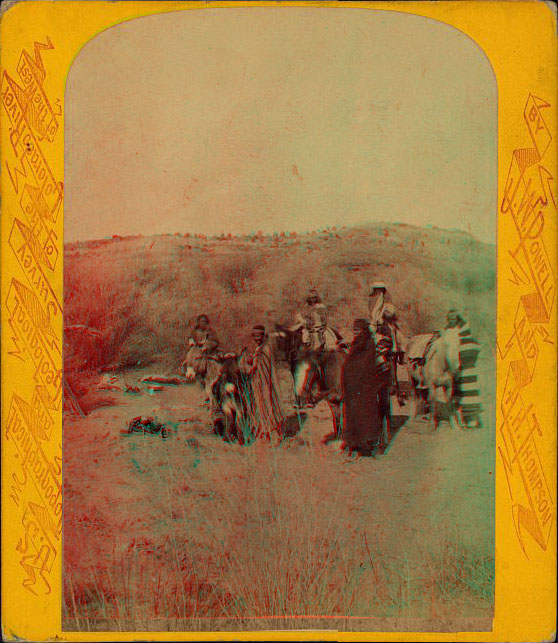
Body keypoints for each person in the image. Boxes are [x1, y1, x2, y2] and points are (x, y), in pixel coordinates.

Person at [341, 319, 382, 458]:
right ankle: (353, 443)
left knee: (364, 415)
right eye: (354, 330)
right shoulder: (356, 342)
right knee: (352, 415)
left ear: (364, 330)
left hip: (364, 387)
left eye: (357, 330)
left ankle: (366, 445)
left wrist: (352, 370)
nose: (355, 332)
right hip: (353, 387)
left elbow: (365, 365)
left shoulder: (369, 344)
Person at [241, 325, 285, 440]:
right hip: (258, 383)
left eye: (259, 335)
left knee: (269, 404)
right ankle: (266, 432)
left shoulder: (266, 349)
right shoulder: (259, 348)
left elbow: (261, 366)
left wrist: (252, 366)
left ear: (263, 335)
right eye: (254, 336)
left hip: (265, 383)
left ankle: (277, 434)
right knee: (260, 406)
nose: (257, 338)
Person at [444, 309, 483, 428]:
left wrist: (463, 360)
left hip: (464, 363)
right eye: (449, 318)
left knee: (468, 390)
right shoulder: (446, 331)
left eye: (454, 318)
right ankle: (463, 418)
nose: (452, 320)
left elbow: (468, 343)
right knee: (457, 391)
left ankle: (473, 419)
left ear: (457, 319)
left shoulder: (462, 329)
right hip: (452, 365)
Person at [183, 314, 220, 399]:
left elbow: (214, 342)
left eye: (205, 322)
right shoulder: (194, 332)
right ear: (198, 322)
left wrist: (206, 346)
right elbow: (190, 339)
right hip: (196, 351)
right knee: (190, 358)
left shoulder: (210, 332)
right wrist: (192, 344)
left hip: (208, 352)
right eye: (201, 322)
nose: (203, 324)